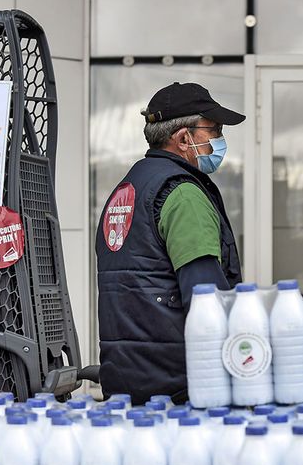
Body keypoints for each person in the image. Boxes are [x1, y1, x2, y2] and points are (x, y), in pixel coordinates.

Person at [95, 82, 244, 405]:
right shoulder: (183, 194)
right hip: (178, 385)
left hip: (125, 377)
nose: (219, 140)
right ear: (182, 138)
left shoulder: (128, 189)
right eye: (214, 130)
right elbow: (206, 298)